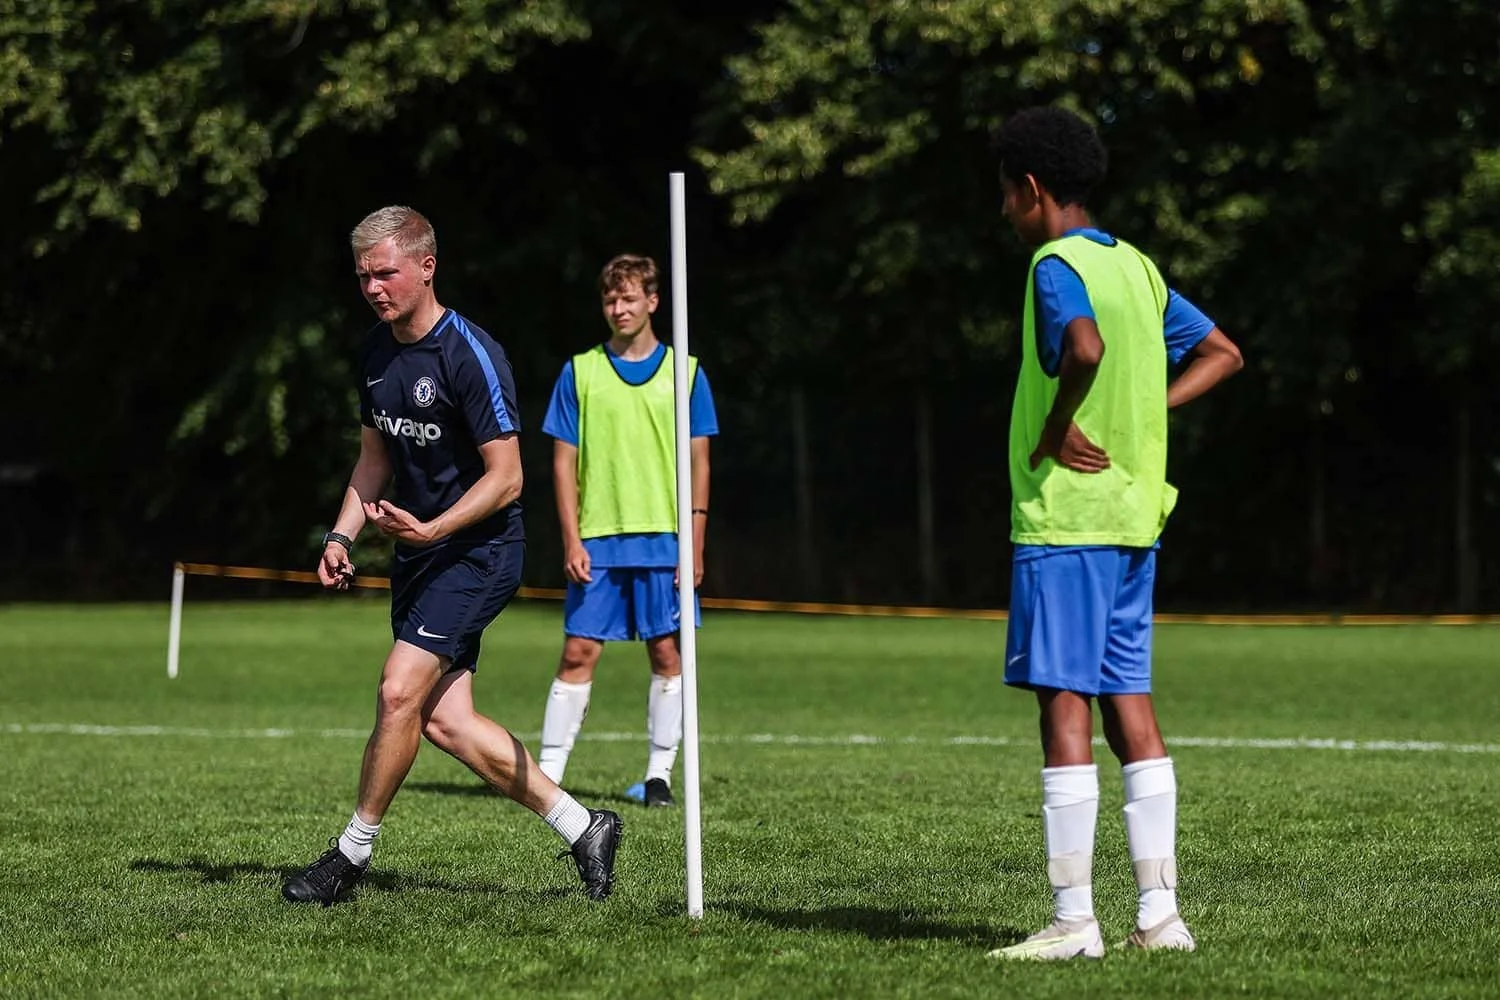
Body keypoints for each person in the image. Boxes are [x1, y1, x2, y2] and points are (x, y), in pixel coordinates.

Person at [281, 205, 622, 906]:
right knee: (444, 721)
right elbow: (374, 458)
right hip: (418, 555)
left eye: (386, 273)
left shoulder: (470, 354)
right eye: (363, 277)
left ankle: (349, 857)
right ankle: (584, 825)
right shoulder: (374, 354)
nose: (373, 288)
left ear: (427, 267)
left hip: (479, 551)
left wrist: (436, 530)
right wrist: (341, 534)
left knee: (398, 689)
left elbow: (509, 477)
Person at [985, 108, 1244, 960]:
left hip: (1068, 518)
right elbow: (1222, 352)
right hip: (1136, 517)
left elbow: (1084, 350)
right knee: (1129, 706)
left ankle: (1072, 921)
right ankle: (1162, 920)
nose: (1003, 213)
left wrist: (1060, 425)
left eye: (1005, 195)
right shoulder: (1138, 267)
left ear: (1031, 190)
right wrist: (1149, 414)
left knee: (1064, 705)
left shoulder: (1053, 264)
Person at [534, 253, 718, 808]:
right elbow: (563, 463)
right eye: (611, 300)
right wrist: (570, 538)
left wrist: (697, 544)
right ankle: (546, 775)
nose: (618, 308)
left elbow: (700, 464)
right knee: (578, 653)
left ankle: (659, 775)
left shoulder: (685, 372)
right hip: (599, 537)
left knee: (667, 653)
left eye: (629, 298)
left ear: (653, 302)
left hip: (665, 540)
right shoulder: (580, 371)